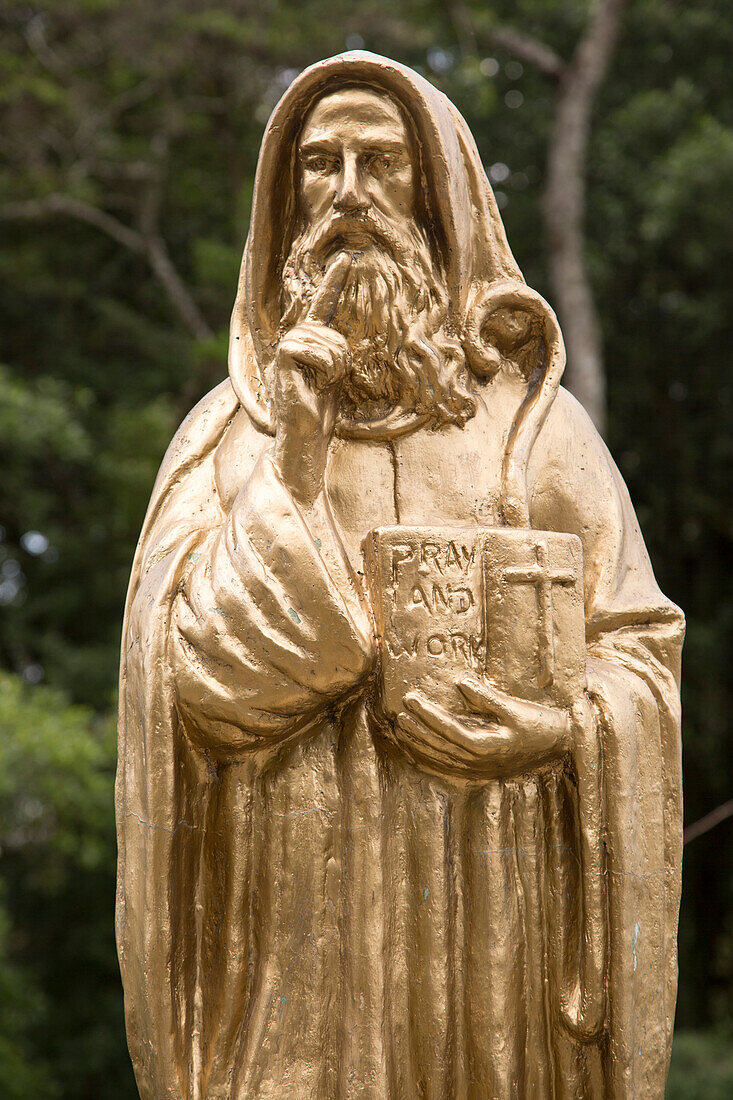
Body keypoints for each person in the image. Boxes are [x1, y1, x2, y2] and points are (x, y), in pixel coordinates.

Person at [116, 52, 684, 1099]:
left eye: (379, 163)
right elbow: (194, 692)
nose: (345, 193)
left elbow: (638, 656)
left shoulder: (538, 435)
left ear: (439, 194)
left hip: (493, 926)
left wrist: (561, 733)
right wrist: (293, 451)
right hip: (291, 929)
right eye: (319, 168)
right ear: (282, 207)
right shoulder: (224, 439)